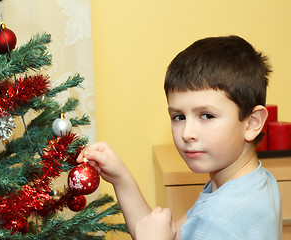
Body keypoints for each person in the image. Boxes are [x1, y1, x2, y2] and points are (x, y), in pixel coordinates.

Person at [77, 35, 282, 239]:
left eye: (207, 116)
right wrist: (121, 179)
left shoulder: (217, 221)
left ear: (252, 122)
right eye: (179, 117)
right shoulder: (250, 183)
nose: (187, 133)